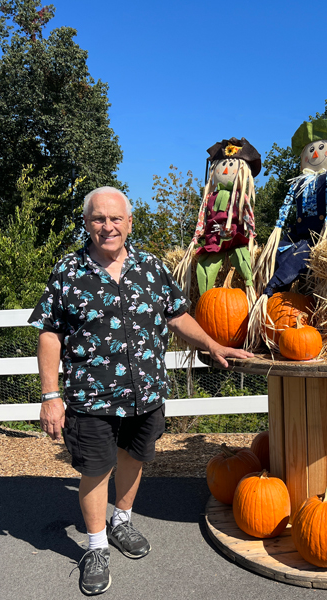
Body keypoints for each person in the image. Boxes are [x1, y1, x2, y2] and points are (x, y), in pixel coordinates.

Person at [29, 186, 253, 595]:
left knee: (133, 458)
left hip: (146, 394)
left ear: (130, 223)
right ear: (87, 224)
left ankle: (122, 520)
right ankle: (96, 548)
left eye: (116, 218)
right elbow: (49, 335)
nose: (107, 226)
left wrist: (213, 344)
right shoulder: (68, 272)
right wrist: (50, 395)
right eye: (98, 218)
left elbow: (177, 316)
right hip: (91, 398)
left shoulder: (151, 268)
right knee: (96, 471)